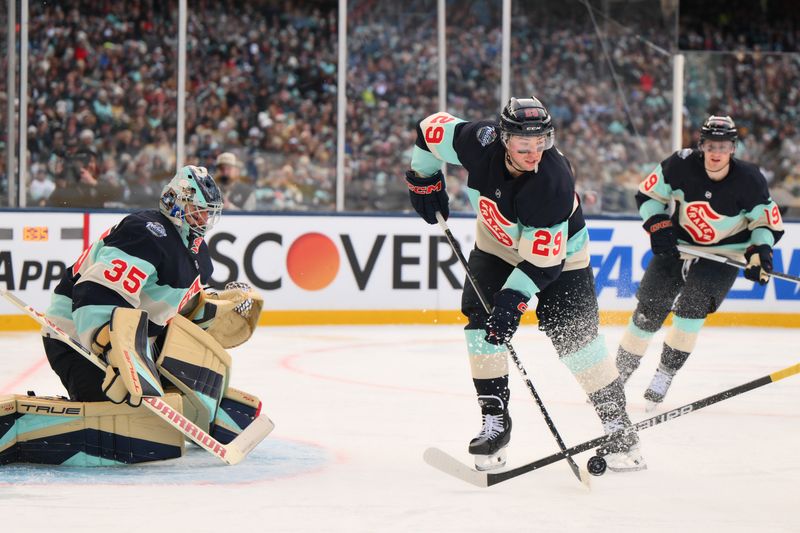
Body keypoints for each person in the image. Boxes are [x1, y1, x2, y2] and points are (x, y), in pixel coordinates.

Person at [405, 96, 645, 472]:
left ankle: (619, 426)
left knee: (576, 340)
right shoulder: (477, 141)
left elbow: (543, 263)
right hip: (497, 245)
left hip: (560, 258)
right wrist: (423, 178)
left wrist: (512, 302)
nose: (534, 153)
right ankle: (495, 422)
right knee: (480, 326)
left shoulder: (553, 182)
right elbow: (428, 129)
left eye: (542, 143)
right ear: (503, 139)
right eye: (524, 145)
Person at [39, 165, 263, 463]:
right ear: (176, 202)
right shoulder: (146, 232)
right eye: (198, 210)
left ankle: (208, 407)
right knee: (130, 420)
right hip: (77, 338)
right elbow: (96, 294)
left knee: (165, 386)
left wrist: (216, 311)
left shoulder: (195, 250)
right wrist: (112, 350)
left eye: (208, 212)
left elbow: (178, 314)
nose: (205, 218)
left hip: (134, 343)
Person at [616, 115, 784, 409]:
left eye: (723, 146)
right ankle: (617, 376)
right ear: (701, 145)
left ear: (733, 148)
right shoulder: (680, 164)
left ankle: (665, 373)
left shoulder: (750, 179)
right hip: (678, 245)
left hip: (724, 254)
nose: (716, 153)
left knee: (691, 311)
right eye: (710, 145)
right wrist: (658, 225)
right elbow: (648, 195)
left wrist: (761, 252)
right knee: (648, 311)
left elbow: (765, 224)